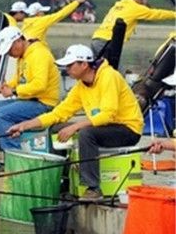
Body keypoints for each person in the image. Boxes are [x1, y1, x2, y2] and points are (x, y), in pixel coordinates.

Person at [8, 45, 144, 201]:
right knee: (56, 128)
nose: (67, 69)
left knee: (87, 134)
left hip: (128, 129)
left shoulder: (109, 76)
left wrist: (75, 126)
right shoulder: (80, 87)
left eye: (70, 65)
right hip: (104, 126)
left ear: (84, 65)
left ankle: (93, 188)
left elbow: (108, 114)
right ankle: (63, 180)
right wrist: (24, 125)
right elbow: (58, 113)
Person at [0, 26, 60, 150]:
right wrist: (6, 87)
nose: (10, 54)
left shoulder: (39, 54)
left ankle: (14, 153)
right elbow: (18, 80)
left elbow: (40, 85)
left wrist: (13, 91)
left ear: (18, 41)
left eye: (10, 50)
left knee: (0, 115)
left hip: (43, 103)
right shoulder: (22, 57)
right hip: (27, 100)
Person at [91, 0, 176, 60]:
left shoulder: (118, 5)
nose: (144, 0)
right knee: (115, 72)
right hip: (107, 42)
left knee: (98, 69)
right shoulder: (135, 7)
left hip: (96, 39)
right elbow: (156, 14)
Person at [23, 0, 90, 44]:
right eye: (42, 12)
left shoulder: (25, 23)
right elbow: (61, 14)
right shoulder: (41, 21)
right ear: (37, 13)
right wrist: (77, 2)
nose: (43, 13)